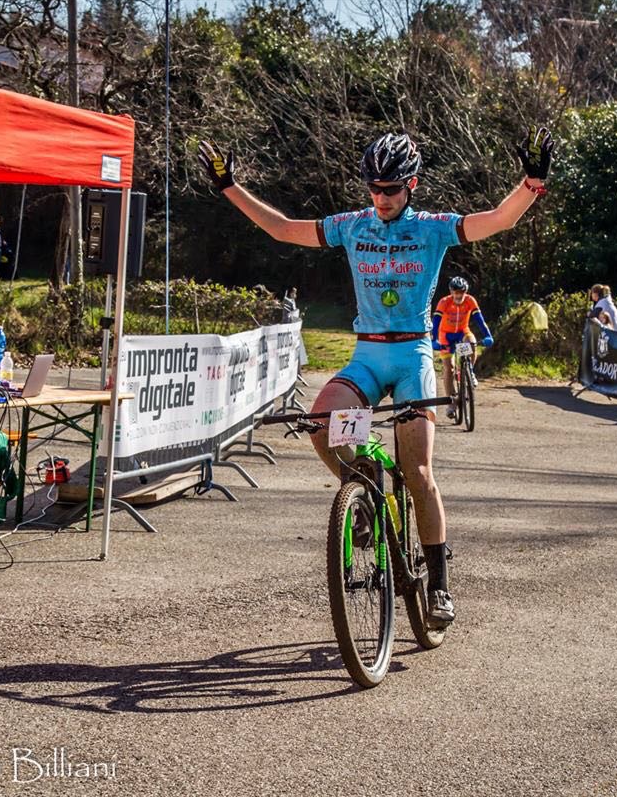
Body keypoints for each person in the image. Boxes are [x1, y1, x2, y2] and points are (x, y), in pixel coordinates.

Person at [197, 128, 555, 628]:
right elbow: (282, 228)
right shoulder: (352, 226)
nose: (381, 197)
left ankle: (439, 585)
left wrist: (532, 182)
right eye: (374, 188)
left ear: (412, 185)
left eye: (391, 189)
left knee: (418, 471)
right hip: (367, 356)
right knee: (321, 424)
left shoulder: (432, 229)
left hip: (413, 356)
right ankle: (362, 492)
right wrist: (229, 187)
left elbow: (497, 219)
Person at [432, 276, 493, 420]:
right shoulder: (444, 302)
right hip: (446, 336)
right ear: (451, 292)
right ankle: (451, 403)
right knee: (449, 368)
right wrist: (434, 340)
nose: (459, 295)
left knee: (471, 342)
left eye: (462, 292)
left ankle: (468, 371)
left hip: (462, 333)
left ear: (466, 291)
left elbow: (480, 320)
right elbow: (436, 322)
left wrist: (488, 335)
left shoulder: (470, 300)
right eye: (456, 292)